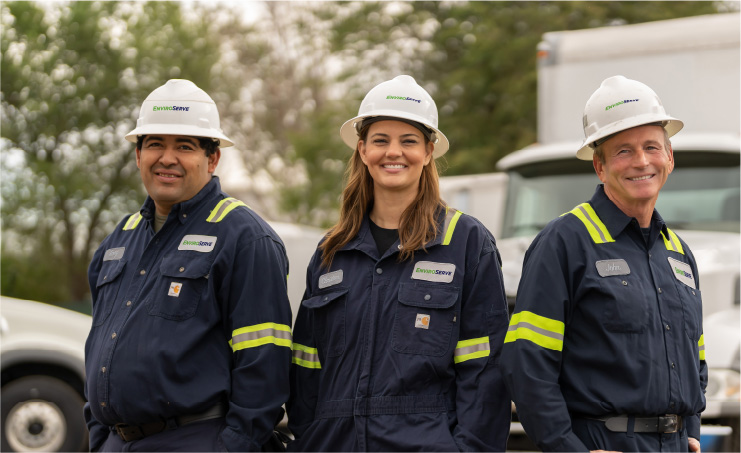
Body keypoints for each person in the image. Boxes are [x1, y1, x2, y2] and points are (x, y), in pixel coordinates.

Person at [286, 75, 511, 451]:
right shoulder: (331, 251)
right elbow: (306, 367)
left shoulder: (465, 242)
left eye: (408, 141)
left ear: (428, 151)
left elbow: (486, 370)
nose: (394, 152)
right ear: (362, 150)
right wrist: (310, 440)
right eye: (380, 141)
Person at [84, 79, 292, 452]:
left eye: (184, 146)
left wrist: (231, 447)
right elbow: (99, 348)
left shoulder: (244, 237)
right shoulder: (118, 241)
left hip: (195, 440)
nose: (167, 158)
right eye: (154, 145)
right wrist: (100, 437)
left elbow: (265, 363)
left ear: (212, 159)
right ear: (137, 155)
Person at [501, 75, 707, 452]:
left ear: (670, 157)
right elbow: (526, 363)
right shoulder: (564, 242)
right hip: (603, 442)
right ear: (600, 166)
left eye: (652, 147)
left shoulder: (678, 251)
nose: (642, 161)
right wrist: (567, 447)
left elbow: (695, 353)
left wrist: (690, 428)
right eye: (623, 151)